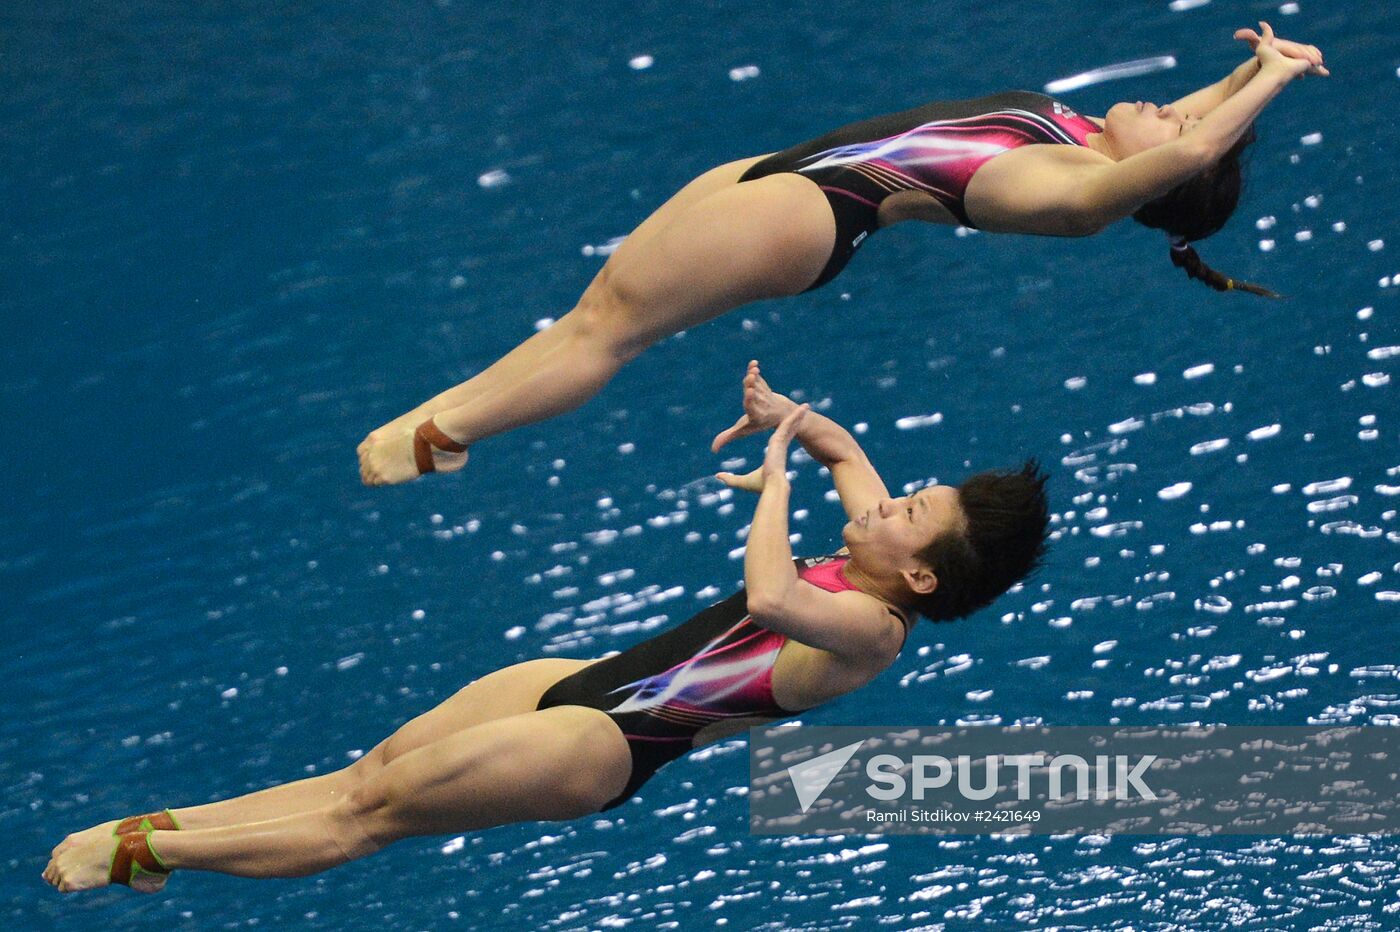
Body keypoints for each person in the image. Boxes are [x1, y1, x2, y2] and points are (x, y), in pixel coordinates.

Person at [46, 361, 1049, 893]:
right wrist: (783, 414)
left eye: (907, 511)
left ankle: (150, 851)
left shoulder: (873, 629)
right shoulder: (879, 543)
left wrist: (772, 488)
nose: (882, 504)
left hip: (604, 744)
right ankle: (170, 834)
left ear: (916, 572)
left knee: (371, 816)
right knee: (367, 770)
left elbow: (771, 600)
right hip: (579, 678)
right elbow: (841, 447)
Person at [357, 24, 1326, 487]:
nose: (1169, 105)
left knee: (611, 334)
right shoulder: (1087, 137)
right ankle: (444, 419)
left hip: (812, 208)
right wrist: (1257, 64)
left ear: (1153, 173)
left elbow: (1190, 148)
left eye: (1171, 123)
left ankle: (442, 439)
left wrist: (1271, 81)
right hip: (791, 176)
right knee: (592, 312)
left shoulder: (1067, 192)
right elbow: (1191, 130)